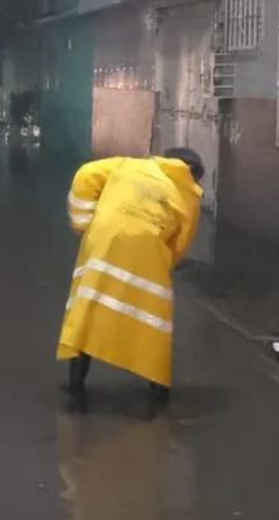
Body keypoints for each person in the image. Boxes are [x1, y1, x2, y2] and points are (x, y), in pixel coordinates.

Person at [58, 148, 204, 403]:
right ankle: (158, 392)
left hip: (103, 242)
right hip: (148, 250)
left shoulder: (128, 165)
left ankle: (75, 386)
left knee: (87, 313)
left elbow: (86, 174)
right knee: (153, 323)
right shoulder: (188, 194)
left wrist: (83, 222)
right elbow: (181, 241)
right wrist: (162, 263)